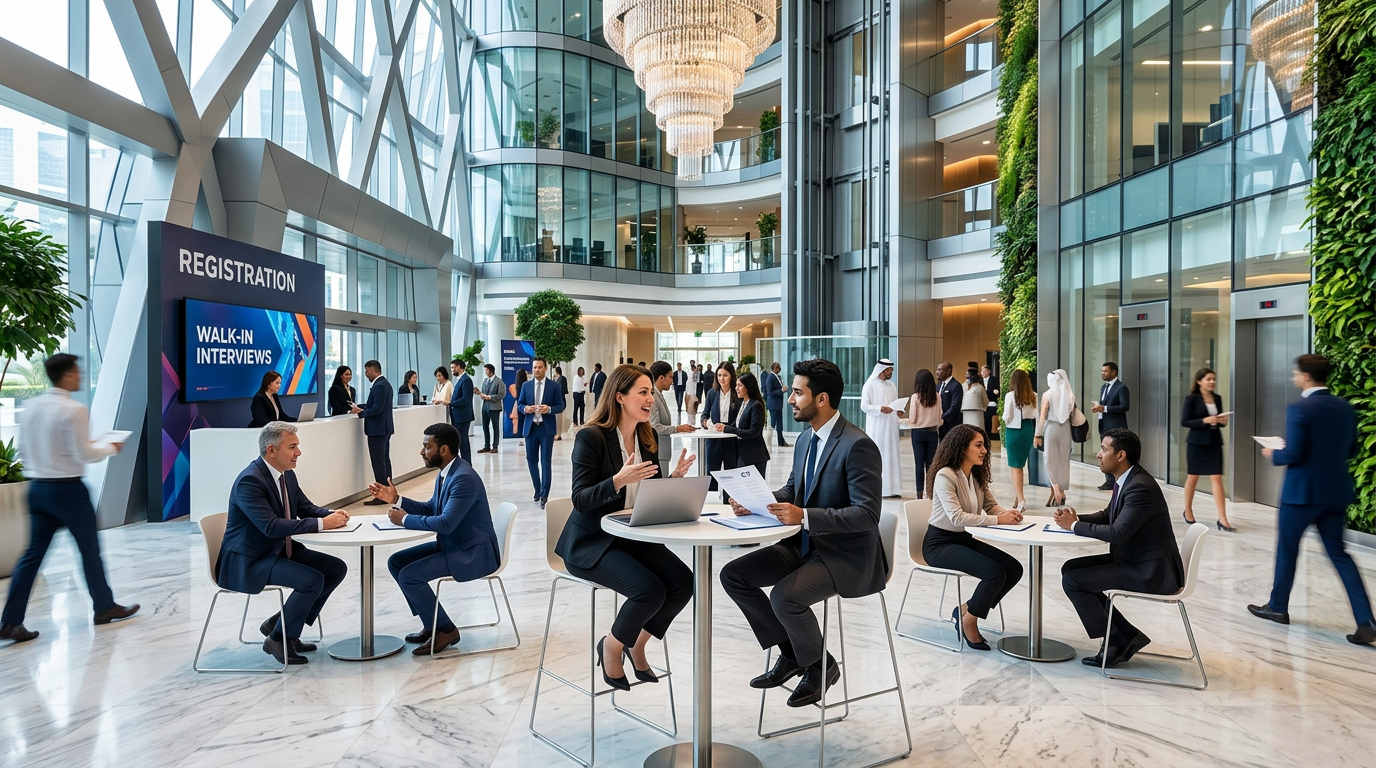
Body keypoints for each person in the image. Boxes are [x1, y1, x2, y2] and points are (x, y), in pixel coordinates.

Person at [721, 359, 885, 708]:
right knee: (733, 575)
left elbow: (867, 515)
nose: (790, 399)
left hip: (845, 556)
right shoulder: (806, 439)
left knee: (784, 597)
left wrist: (805, 516)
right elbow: (795, 488)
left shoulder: (858, 445)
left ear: (821, 399)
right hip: (806, 545)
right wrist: (758, 502)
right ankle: (795, 653)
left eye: (798, 393)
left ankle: (819, 666)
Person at [558, 364, 697, 690]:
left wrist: (673, 480)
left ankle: (636, 642)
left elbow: (647, 491)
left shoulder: (646, 437)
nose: (651, 399)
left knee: (683, 583)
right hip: (591, 542)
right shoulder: (590, 437)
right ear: (620, 397)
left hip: (630, 536)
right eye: (644, 392)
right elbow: (580, 499)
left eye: (651, 392)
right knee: (649, 590)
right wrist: (617, 480)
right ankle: (611, 645)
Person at [1, 354, 139, 644]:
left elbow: (23, 451)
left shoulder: (31, 407)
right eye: (78, 372)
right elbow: (84, 454)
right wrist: (110, 447)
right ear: (67, 375)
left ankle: (11, 621)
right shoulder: (73, 410)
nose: (80, 377)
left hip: (38, 489)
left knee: (30, 557)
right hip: (68, 491)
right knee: (90, 552)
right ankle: (103, 607)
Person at [1249, 354, 1376, 645]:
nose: (1295, 377)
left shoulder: (1300, 408)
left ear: (1305, 376)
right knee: (1341, 555)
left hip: (1301, 494)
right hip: (1335, 493)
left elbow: (1294, 454)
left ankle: (1278, 607)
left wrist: (1274, 453)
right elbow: (1352, 449)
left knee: (1287, 551)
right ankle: (1367, 621)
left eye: (1296, 374)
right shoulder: (1344, 407)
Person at [216, 422, 351, 664]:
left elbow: (304, 507)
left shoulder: (286, 475)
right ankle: (278, 637)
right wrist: (323, 524)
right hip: (251, 560)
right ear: (271, 450)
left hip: (276, 551)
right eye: (293, 447)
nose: (298, 452)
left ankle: (282, 624)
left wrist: (330, 514)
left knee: (335, 569)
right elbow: (271, 527)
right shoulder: (250, 481)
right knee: (311, 580)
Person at [1054, 428, 1182, 668]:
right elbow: (1108, 515)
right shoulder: (1128, 479)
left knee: (1074, 581)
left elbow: (1118, 533)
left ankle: (1114, 640)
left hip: (1150, 571)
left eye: (1104, 449)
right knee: (1070, 568)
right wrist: (1075, 518)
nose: (1098, 454)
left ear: (1121, 455)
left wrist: (1074, 526)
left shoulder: (1139, 486)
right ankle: (1127, 636)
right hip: (1137, 560)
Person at [369, 423, 500, 655]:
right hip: (454, 545)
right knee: (396, 562)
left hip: (472, 552)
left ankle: (446, 630)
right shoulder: (448, 472)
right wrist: (397, 499)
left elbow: (446, 523)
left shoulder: (463, 478)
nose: (422, 452)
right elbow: (432, 508)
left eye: (426, 447)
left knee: (410, 576)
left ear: (444, 450)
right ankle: (432, 623)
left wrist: (405, 519)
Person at [924, 424, 1025, 650]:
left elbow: (991, 506)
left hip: (962, 540)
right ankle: (970, 620)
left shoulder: (975, 475)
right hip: (939, 544)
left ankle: (965, 610)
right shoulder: (945, 475)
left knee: (1014, 569)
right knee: (994, 573)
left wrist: (1007, 513)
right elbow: (957, 518)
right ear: (962, 447)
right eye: (978, 445)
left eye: (984, 446)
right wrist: (999, 520)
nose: (984, 451)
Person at [1181, 367, 1235, 531]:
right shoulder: (1191, 399)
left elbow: (1217, 420)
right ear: (1199, 381)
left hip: (1214, 442)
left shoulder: (1217, 398)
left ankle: (1223, 519)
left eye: (1214, 379)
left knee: (1217, 478)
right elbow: (1185, 421)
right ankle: (1188, 510)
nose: (1212, 382)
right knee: (1193, 477)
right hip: (1196, 443)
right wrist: (1204, 420)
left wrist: (1221, 421)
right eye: (1208, 379)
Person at [518, 358, 565, 508]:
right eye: (534, 367)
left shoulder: (554, 386)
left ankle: (545, 495)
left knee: (545, 462)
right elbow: (520, 404)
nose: (536, 370)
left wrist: (549, 409)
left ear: (545, 369)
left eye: (539, 367)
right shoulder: (526, 386)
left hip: (546, 429)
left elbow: (561, 405)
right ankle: (537, 490)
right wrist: (525, 409)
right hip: (531, 428)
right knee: (531, 461)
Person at [716, 372, 770, 484]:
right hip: (744, 454)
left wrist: (728, 429)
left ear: (748, 386)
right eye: (736, 385)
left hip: (755, 456)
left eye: (739, 385)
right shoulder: (743, 403)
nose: (736, 388)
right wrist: (723, 427)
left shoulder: (756, 406)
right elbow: (737, 425)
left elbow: (753, 432)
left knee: (754, 491)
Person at [860, 358, 903, 498]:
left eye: (892, 369)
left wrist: (898, 411)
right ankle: (881, 490)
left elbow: (895, 405)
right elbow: (864, 406)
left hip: (891, 428)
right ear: (881, 370)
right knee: (879, 456)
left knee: (891, 456)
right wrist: (880, 408)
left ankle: (894, 489)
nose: (891, 372)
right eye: (889, 369)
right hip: (877, 428)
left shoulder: (891, 385)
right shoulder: (870, 385)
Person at [1033, 369, 1074, 507]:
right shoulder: (1069, 394)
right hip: (1066, 428)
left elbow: (1043, 415)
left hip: (1051, 428)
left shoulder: (1048, 394)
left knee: (1049, 460)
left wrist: (1037, 434)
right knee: (1063, 461)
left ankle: (1056, 489)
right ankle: (1062, 491)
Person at [649, 361, 697, 475]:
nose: (672, 381)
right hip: (658, 452)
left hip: (663, 452)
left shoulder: (659, 394)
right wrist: (677, 429)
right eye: (670, 377)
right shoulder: (653, 397)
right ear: (661, 378)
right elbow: (655, 427)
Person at [358, 360, 395, 505]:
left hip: (377, 430)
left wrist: (362, 413)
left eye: (367, 371)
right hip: (384, 428)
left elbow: (377, 409)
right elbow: (375, 405)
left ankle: (381, 496)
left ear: (373, 370)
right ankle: (388, 492)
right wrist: (362, 407)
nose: (366, 374)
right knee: (384, 460)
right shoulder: (384, 384)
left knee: (379, 463)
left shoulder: (379, 386)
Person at [701, 361, 741, 493]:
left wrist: (728, 427)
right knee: (711, 474)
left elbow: (740, 417)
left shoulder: (737, 394)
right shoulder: (712, 393)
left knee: (731, 476)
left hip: (731, 439)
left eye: (725, 375)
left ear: (731, 376)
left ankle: (729, 503)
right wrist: (706, 423)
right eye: (719, 375)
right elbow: (704, 415)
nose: (721, 379)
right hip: (714, 440)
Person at [1002, 369, 1039, 509]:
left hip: (1013, 431)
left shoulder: (1010, 396)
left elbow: (1007, 416)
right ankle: (1018, 497)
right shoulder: (1033, 395)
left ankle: (1022, 500)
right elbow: (1036, 414)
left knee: (1015, 467)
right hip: (1027, 429)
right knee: (1020, 465)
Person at [1093, 362, 1130, 491]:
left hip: (1116, 426)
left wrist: (1105, 408)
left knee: (1113, 453)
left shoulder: (1121, 388)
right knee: (1105, 453)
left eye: (1105, 371)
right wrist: (1100, 407)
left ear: (1113, 372)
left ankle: (1115, 480)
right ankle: (1109, 481)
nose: (1102, 373)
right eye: (1102, 371)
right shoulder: (1104, 387)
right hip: (1104, 425)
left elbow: (1125, 406)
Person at [906, 369, 941, 498]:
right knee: (931, 465)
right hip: (932, 433)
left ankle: (919, 494)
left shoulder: (915, 397)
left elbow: (913, 418)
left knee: (919, 464)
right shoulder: (937, 396)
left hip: (918, 434)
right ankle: (931, 492)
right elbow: (939, 418)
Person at [448, 359, 475, 463]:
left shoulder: (466, 380)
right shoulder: (459, 379)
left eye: (453, 367)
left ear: (459, 367)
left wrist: (450, 403)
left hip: (463, 416)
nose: (452, 370)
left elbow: (466, 399)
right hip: (457, 416)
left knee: (463, 441)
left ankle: (467, 464)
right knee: (460, 441)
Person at [478, 364, 505, 453]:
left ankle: (495, 446)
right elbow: (484, 393)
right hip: (485, 407)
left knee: (495, 427)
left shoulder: (499, 381)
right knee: (485, 427)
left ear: (490, 370)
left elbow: (501, 394)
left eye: (486, 370)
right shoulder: (485, 381)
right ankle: (487, 446)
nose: (485, 372)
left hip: (494, 408)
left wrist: (490, 397)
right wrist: (481, 394)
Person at [763, 361, 790, 447]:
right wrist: (781, 391)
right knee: (773, 424)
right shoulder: (770, 377)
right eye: (778, 367)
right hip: (773, 404)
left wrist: (783, 389)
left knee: (779, 424)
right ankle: (767, 441)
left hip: (778, 404)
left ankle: (781, 441)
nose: (780, 369)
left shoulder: (778, 377)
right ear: (774, 368)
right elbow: (770, 392)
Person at [936, 362, 962, 438]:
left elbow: (955, 406)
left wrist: (943, 417)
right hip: (940, 422)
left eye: (940, 370)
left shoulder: (955, 385)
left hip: (951, 422)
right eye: (937, 370)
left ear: (948, 371)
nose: (937, 372)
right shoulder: (939, 385)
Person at [981, 365, 1000, 440]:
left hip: (991, 402)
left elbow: (997, 389)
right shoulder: (979, 380)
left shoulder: (994, 379)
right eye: (982, 371)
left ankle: (991, 435)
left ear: (989, 371)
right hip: (982, 403)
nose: (983, 373)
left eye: (984, 371)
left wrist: (996, 392)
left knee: (989, 419)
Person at [509, 368, 528, 438]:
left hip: (517, 405)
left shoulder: (513, 386)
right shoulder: (527, 386)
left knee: (518, 422)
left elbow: (515, 396)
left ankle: (519, 435)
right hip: (527, 405)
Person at [552, 366, 570, 440]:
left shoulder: (562, 379)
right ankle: (557, 434)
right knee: (557, 419)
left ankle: (558, 434)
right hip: (557, 401)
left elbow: (562, 389)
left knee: (559, 419)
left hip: (560, 401)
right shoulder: (558, 379)